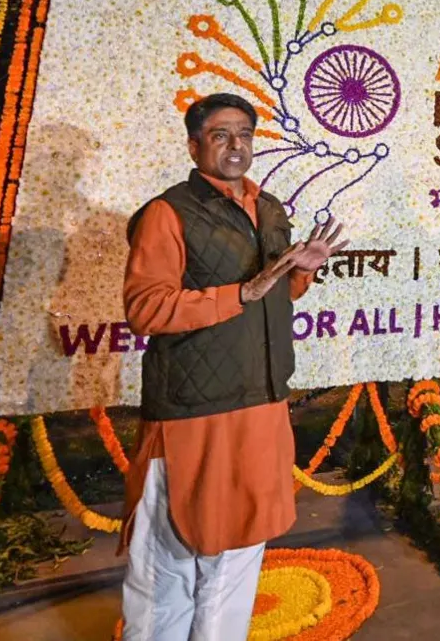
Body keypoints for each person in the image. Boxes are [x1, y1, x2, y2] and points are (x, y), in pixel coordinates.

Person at [119, 93, 347, 640]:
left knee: (239, 561)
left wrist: (300, 275)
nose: (236, 145)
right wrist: (241, 291)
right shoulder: (167, 213)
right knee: (167, 569)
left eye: (244, 133)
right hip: (192, 414)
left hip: (262, 404)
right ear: (195, 145)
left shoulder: (270, 208)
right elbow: (145, 309)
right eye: (220, 135)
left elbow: (272, 297)